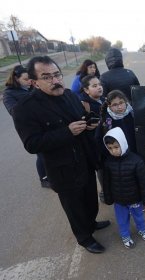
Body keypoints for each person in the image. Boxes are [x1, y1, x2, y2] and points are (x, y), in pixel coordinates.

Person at [12, 56, 110, 254]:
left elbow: (79, 119)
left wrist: (89, 123)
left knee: (90, 198)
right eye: (46, 77)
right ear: (34, 82)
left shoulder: (69, 95)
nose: (55, 81)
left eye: (56, 75)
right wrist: (67, 132)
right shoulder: (24, 108)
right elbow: (32, 144)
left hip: (84, 158)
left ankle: (91, 223)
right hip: (62, 167)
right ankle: (84, 237)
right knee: (74, 206)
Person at [102, 127, 145, 249]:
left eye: (116, 147)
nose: (113, 151)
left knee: (139, 216)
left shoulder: (136, 161)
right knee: (122, 220)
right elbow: (106, 182)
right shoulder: (108, 162)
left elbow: (143, 183)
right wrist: (108, 198)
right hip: (119, 200)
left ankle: (143, 230)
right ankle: (125, 235)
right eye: (110, 148)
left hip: (135, 198)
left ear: (123, 143)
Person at [3, 65, 51, 188]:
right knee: (41, 153)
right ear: (16, 78)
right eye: (25, 79)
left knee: (48, 149)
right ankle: (44, 178)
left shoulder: (31, 88)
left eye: (30, 78)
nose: (29, 81)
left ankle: (51, 173)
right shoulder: (9, 94)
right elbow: (13, 112)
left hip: (45, 122)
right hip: (29, 127)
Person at [95, 90, 136, 201]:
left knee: (134, 177)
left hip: (132, 154)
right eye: (115, 105)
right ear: (109, 106)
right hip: (116, 156)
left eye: (121, 102)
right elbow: (99, 140)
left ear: (126, 102)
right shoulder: (106, 121)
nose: (119, 107)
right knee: (121, 180)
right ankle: (122, 200)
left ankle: (136, 199)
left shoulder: (132, 114)